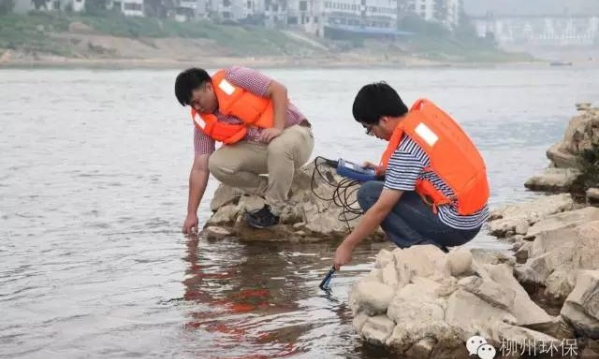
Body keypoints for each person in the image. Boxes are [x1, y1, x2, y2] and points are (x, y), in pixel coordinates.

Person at [333, 82, 490, 270]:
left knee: (368, 194)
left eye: (368, 128)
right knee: (380, 187)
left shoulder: (407, 149)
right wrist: (387, 171)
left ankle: (427, 255)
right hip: (473, 216)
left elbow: (382, 208)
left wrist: (347, 246)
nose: (372, 135)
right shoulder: (423, 124)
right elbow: (431, 165)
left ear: (383, 120)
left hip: (456, 226)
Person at [174, 66, 314, 234]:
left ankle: (275, 208)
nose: (197, 108)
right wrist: (191, 214)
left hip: (294, 134)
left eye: (197, 101)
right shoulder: (203, 122)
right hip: (263, 150)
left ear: (208, 87)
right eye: (191, 105)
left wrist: (277, 127)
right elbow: (199, 168)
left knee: (279, 147)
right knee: (216, 163)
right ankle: (269, 190)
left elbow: (279, 89)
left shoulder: (235, 77)